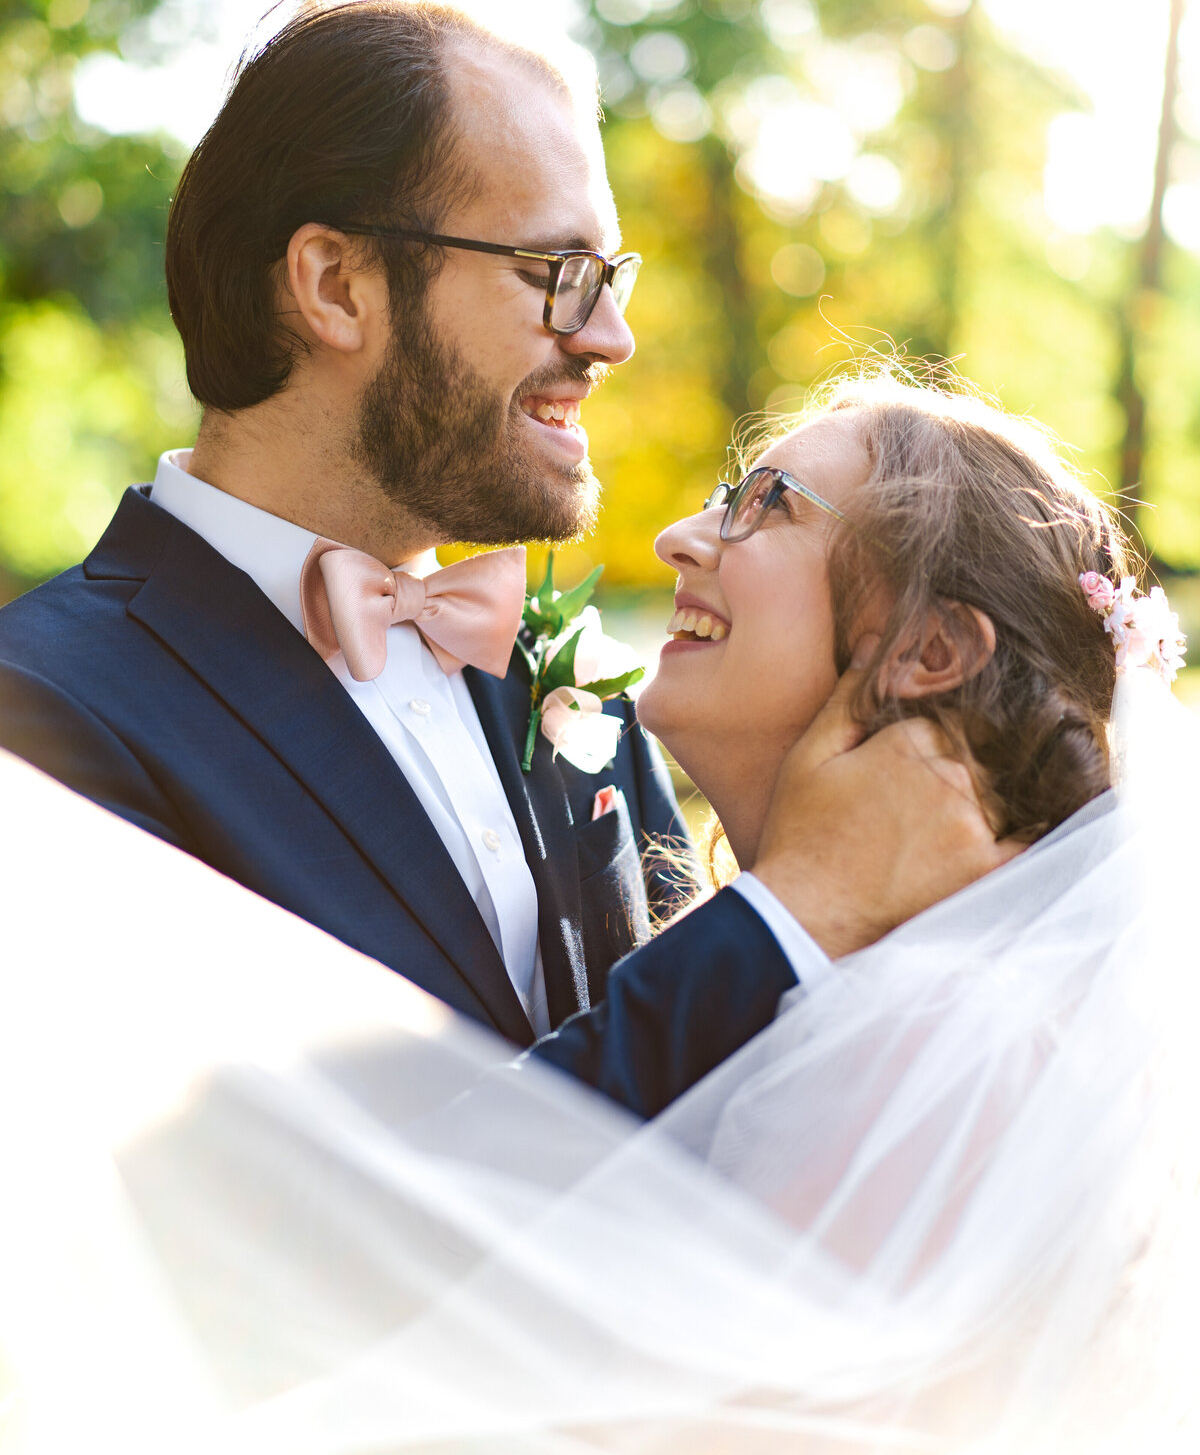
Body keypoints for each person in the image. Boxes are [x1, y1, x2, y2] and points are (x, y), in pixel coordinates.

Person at [2, 372, 1194, 1455]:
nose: (680, 534)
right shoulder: (862, 996)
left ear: (931, 648)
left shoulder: (935, 1058)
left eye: (764, 503)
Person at [0, 0, 1001, 1115]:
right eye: (556, 275)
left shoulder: (574, 689)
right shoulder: (39, 715)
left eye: (609, 281)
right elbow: (301, 1227)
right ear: (339, 286)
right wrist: (795, 914)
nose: (609, 339)